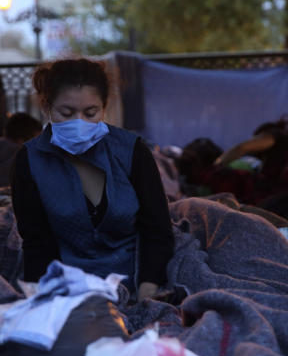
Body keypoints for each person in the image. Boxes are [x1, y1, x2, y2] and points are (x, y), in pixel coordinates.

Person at [11, 58, 174, 299]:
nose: (79, 123)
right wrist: (43, 297)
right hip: (68, 287)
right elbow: (37, 242)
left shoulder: (131, 151)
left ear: (104, 107)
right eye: (66, 113)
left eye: (90, 113)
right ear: (47, 107)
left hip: (136, 280)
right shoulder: (30, 160)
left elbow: (157, 229)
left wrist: (148, 287)